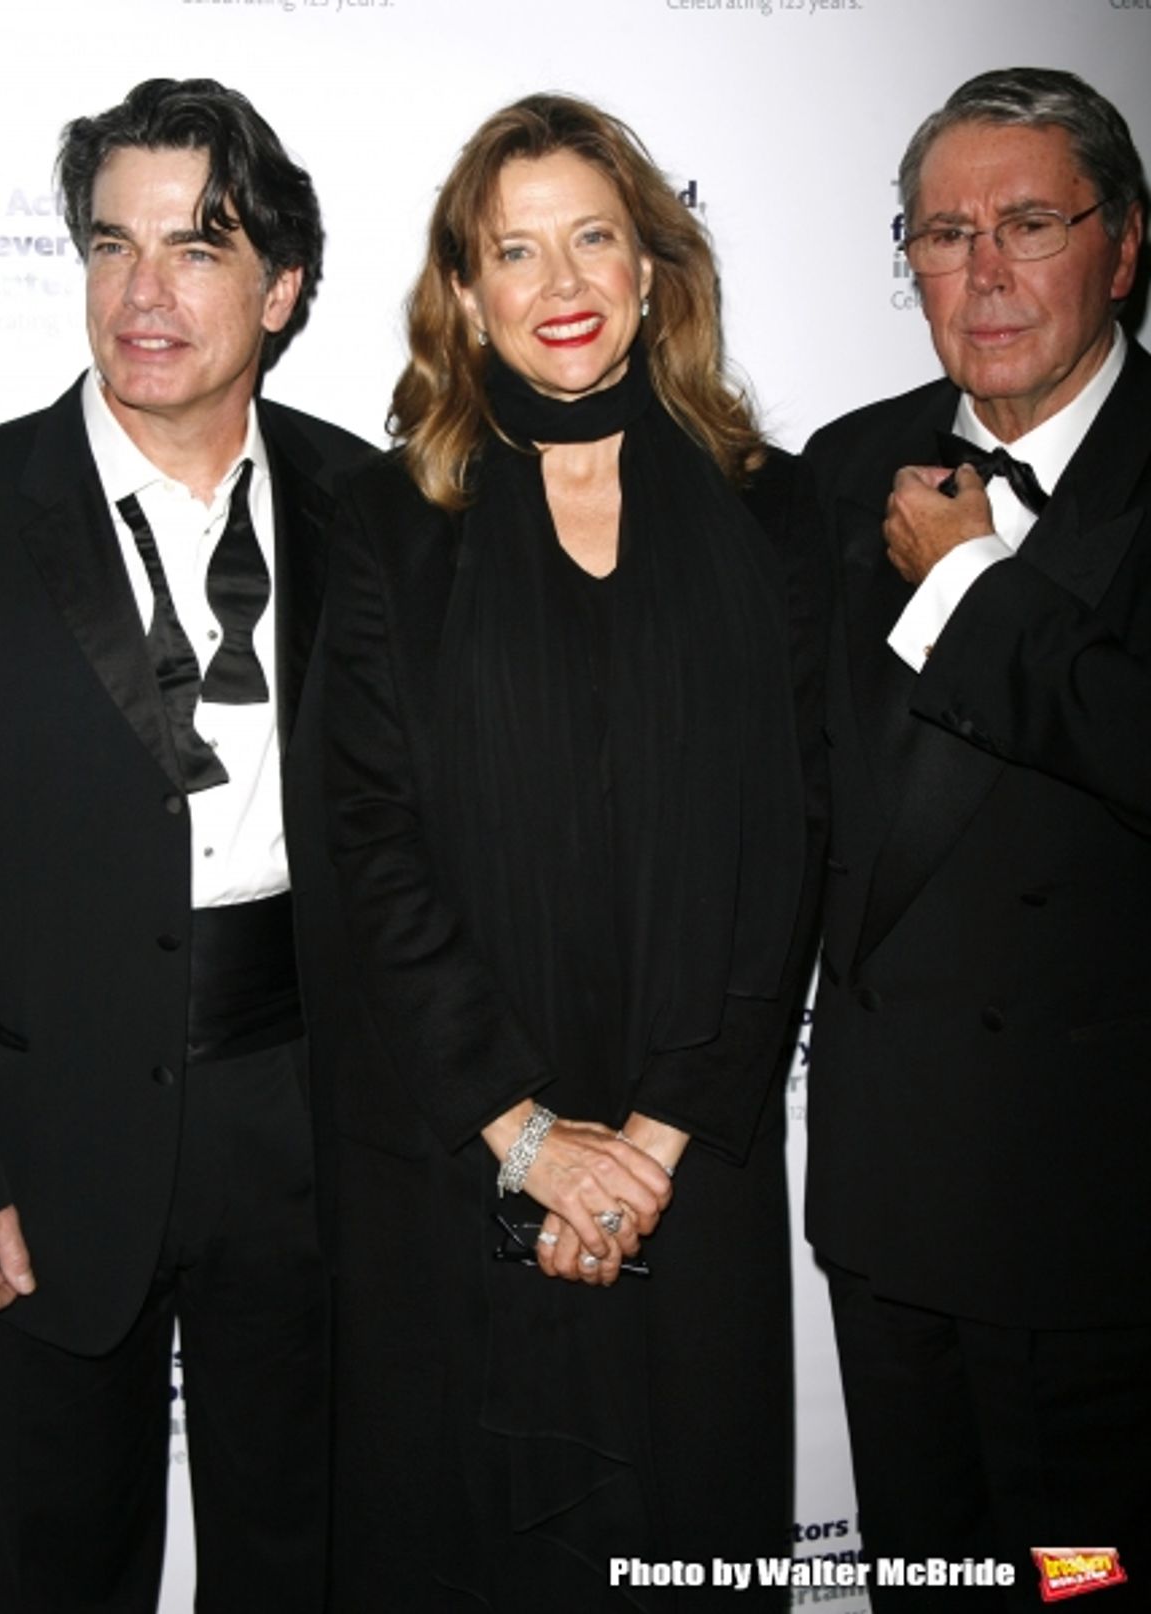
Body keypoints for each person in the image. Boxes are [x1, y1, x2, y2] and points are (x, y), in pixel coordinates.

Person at [321, 92, 828, 1611]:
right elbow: (369, 846)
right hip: (470, 1156)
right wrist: (532, 1141)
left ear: (652, 269)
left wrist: (652, 1144)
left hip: (694, 1162)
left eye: (593, 238)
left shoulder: (774, 510)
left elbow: (796, 840)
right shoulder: (384, 521)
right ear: (464, 292)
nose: (560, 283)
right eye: (515, 249)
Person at [0, 78, 374, 1612]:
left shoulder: (371, 505)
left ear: (283, 287)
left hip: (310, 1127)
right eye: (113, 245)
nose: (144, 292)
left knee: (299, 1557)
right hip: (45, 1131)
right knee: (64, 1566)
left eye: (197, 248)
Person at [805, 66, 1149, 1607]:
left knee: (1085, 1583)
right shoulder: (839, 469)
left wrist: (966, 586)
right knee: (930, 1578)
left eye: (1029, 224)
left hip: (1100, 1242)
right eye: (944, 235)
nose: (985, 271)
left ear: (1122, 246)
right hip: (891, 1215)